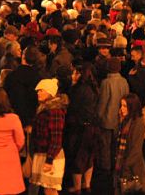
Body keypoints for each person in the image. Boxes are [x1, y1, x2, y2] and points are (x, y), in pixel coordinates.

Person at [64, 64, 100, 194]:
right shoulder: (93, 88)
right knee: (89, 157)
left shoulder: (77, 90)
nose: (72, 76)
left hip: (79, 128)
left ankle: (77, 187)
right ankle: (87, 184)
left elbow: (73, 109)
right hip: (92, 126)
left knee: (77, 158)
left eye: (75, 73)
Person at [30, 78, 68, 195]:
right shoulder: (45, 109)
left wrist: (49, 160)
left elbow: (56, 138)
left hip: (51, 156)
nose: (38, 93)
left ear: (50, 92)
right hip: (44, 154)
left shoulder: (54, 111)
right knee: (46, 188)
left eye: (42, 90)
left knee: (50, 189)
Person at [114, 93, 145, 194]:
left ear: (132, 107)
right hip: (121, 162)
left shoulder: (138, 123)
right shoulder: (124, 121)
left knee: (130, 190)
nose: (122, 108)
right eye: (121, 105)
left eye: (125, 106)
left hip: (131, 167)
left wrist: (126, 166)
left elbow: (136, 149)